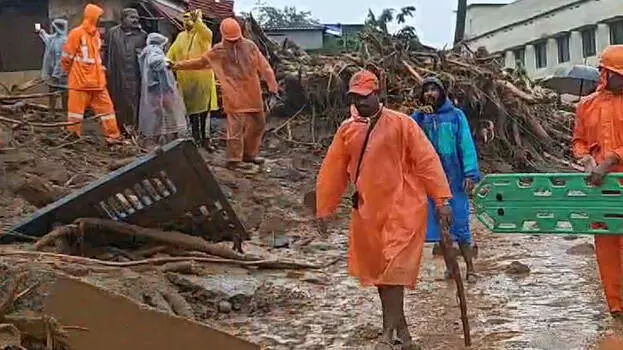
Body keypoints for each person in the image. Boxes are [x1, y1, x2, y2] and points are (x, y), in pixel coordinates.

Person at [316, 70, 452, 348]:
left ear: (378, 94)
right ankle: (404, 334)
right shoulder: (348, 130)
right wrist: (324, 208)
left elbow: (427, 161)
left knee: (393, 271)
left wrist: (441, 200)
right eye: (356, 97)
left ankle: (388, 334)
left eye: (366, 97)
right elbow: (333, 171)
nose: (361, 102)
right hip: (368, 212)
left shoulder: (402, 124)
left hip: (404, 208)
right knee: (383, 276)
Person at [172, 17, 278, 171]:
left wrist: (272, 86)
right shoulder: (218, 50)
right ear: (223, 35)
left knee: (258, 124)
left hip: (252, 92)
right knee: (235, 128)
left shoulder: (250, 46)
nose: (234, 42)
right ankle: (234, 160)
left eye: (236, 39)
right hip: (233, 94)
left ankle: (249, 154)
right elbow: (200, 62)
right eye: (231, 40)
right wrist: (176, 65)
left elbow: (265, 66)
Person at [411, 77, 481, 281]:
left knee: (460, 225)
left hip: (454, 178)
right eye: (427, 90)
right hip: (430, 180)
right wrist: (417, 116)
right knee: (439, 228)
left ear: (443, 93)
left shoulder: (456, 116)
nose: (430, 94)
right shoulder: (420, 119)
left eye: (434, 90)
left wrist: (470, 173)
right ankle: (451, 269)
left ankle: (470, 269)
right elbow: (406, 135)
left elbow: (466, 145)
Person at [573, 45, 623, 319]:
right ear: (605, 73)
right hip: (600, 188)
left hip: (620, 180)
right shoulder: (586, 105)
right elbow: (578, 140)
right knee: (605, 246)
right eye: (619, 75)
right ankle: (615, 306)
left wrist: (611, 160)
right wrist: (586, 160)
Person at [61, 4, 121, 143]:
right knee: (75, 115)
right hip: (80, 83)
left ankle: (113, 137)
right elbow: (66, 58)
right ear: (92, 17)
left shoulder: (96, 36)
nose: (101, 19)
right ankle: (73, 137)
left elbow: (96, 58)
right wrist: (72, 72)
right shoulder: (76, 33)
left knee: (108, 112)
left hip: (97, 83)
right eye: (99, 17)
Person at [167, 10, 219, 147]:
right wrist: (166, 62)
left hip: (203, 79)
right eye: (184, 19)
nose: (186, 21)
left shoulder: (203, 35)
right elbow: (171, 53)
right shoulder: (180, 36)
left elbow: (207, 32)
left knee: (204, 113)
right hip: (186, 81)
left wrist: (199, 22)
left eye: (189, 19)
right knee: (192, 113)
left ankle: (206, 139)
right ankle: (196, 138)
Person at [137, 33, 188, 147]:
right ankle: (172, 139)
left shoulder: (146, 51)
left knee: (157, 115)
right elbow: (155, 62)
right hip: (162, 89)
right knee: (171, 113)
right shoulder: (155, 50)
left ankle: (156, 138)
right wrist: (166, 62)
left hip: (153, 89)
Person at [105, 8, 147, 132]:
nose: (135, 20)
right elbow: (106, 53)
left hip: (134, 76)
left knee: (133, 103)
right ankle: (117, 128)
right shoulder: (113, 33)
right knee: (116, 101)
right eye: (132, 17)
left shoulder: (142, 35)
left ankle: (132, 129)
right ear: (123, 19)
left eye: (137, 18)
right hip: (116, 75)